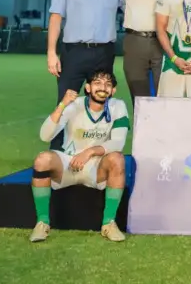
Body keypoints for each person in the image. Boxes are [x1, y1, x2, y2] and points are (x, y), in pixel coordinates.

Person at [28, 69, 130, 243]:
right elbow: (45, 136)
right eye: (97, 83)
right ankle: (42, 223)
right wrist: (62, 105)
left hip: (96, 168)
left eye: (107, 84)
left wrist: (89, 152)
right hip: (69, 163)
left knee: (117, 159)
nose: (102, 88)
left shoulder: (118, 106)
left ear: (113, 90)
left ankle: (109, 223)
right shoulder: (74, 105)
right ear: (88, 88)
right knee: (42, 160)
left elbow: (118, 143)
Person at [47, 0, 124, 148]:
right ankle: (56, 155)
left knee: (101, 105)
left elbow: (130, 7)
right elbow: (55, 17)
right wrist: (51, 52)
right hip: (73, 52)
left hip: (104, 52)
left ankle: (96, 154)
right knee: (65, 104)